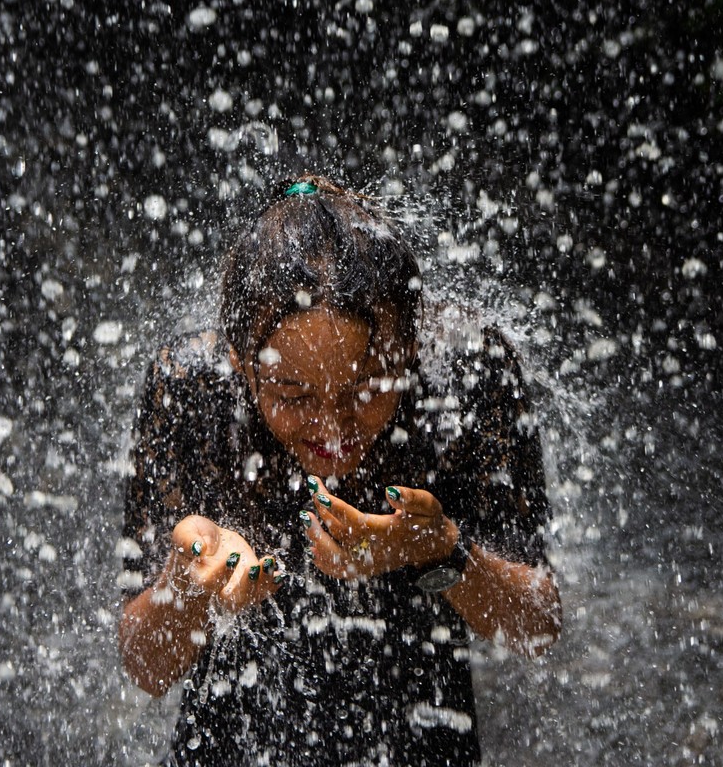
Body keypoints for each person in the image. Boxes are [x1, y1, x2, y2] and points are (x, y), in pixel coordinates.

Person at [119, 174, 562, 766]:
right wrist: (185, 588)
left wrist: (441, 551)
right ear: (239, 362)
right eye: (293, 394)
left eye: (367, 387)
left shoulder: (463, 378)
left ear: (410, 347)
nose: (332, 427)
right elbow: (145, 668)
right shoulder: (195, 389)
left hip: (418, 740)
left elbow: (537, 626)